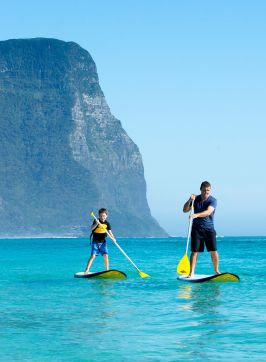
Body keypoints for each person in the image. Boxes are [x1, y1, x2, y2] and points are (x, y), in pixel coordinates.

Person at [183, 181, 220, 277]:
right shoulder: (196, 199)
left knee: (214, 251)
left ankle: (216, 271)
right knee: (194, 252)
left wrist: (196, 215)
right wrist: (189, 200)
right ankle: (191, 273)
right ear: (201, 189)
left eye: (208, 190)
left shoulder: (213, 200)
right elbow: (185, 210)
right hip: (196, 230)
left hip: (209, 229)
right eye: (204, 190)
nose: (206, 192)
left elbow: (208, 212)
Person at [84, 208, 115, 273]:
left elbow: (110, 232)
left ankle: (107, 270)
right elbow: (92, 228)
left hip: (103, 242)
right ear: (99, 216)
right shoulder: (96, 221)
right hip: (95, 242)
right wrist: (97, 224)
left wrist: (113, 238)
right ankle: (87, 269)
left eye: (103, 216)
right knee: (93, 256)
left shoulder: (107, 223)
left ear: (106, 216)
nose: (102, 217)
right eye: (101, 216)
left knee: (106, 255)